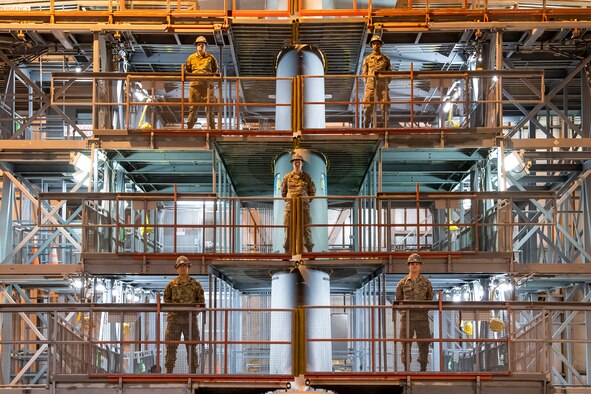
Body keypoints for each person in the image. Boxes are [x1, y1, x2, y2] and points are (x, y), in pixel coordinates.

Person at [164, 256, 205, 374]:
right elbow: (167, 300)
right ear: (177, 269)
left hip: (190, 320)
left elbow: (201, 302)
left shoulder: (196, 284)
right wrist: (175, 311)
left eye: (184, 266)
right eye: (180, 266)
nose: (182, 268)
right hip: (174, 320)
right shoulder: (171, 285)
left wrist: (192, 311)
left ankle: (192, 373)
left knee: (192, 348)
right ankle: (169, 372)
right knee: (171, 347)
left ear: (188, 268)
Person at [395, 253, 434, 372]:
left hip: (422, 318)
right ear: (409, 266)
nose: (415, 266)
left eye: (417, 264)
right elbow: (398, 300)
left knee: (424, 343)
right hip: (407, 318)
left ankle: (423, 368)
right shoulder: (402, 283)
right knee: (406, 344)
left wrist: (422, 309)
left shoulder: (426, 283)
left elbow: (430, 299)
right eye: (412, 264)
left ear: (420, 266)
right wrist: (404, 312)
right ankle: (407, 369)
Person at [281, 153, 316, 254]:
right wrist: (289, 200)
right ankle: (287, 251)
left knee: (306, 229)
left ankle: (309, 251)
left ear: (302, 163)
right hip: (289, 208)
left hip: (304, 208)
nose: (297, 163)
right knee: (288, 229)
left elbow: (312, 191)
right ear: (292, 163)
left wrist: (305, 201)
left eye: (299, 161)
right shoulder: (287, 177)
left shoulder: (306, 177)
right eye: (295, 161)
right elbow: (283, 192)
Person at [185, 36, 219, 130]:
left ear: (205, 46)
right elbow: (188, 70)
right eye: (199, 44)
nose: (200, 46)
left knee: (209, 107)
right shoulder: (191, 58)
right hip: (195, 85)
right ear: (196, 46)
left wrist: (210, 79)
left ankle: (212, 127)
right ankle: (189, 127)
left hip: (208, 86)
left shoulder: (211, 58)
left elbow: (215, 70)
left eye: (202, 44)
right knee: (193, 107)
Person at [362, 35, 392, 128]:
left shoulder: (385, 59)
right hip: (370, 86)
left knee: (385, 107)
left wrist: (385, 82)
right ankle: (366, 126)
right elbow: (364, 73)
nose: (376, 45)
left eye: (378, 43)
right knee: (367, 107)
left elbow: (389, 72)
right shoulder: (367, 59)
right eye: (374, 44)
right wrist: (368, 82)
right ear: (371, 45)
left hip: (382, 86)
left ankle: (385, 127)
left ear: (380, 45)